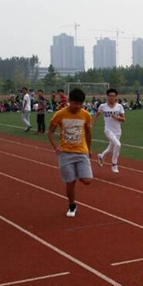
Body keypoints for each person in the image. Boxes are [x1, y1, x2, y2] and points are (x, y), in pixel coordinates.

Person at [47, 88, 92, 218]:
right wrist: (56, 146)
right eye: (75, 103)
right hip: (65, 153)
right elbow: (50, 132)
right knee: (70, 182)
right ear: (69, 101)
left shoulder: (86, 115)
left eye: (80, 104)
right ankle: (72, 205)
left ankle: (76, 170)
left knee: (87, 180)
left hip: (81, 152)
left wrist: (89, 149)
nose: (77, 106)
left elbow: (88, 133)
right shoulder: (60, 114)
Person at [93, 88, 126, 173]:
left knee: (111, 148)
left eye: (113, 96)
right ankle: (114, 164)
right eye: (110, 96)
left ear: (116, 97)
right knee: (118, 144)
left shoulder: (119, 106)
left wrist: (116, 117)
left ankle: (101, 156)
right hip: (108, 130)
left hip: (117, 131)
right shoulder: (102, 106)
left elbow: (123, 119)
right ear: (107, 96)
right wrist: (92, 124)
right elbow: (97, 115)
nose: (112, 97)